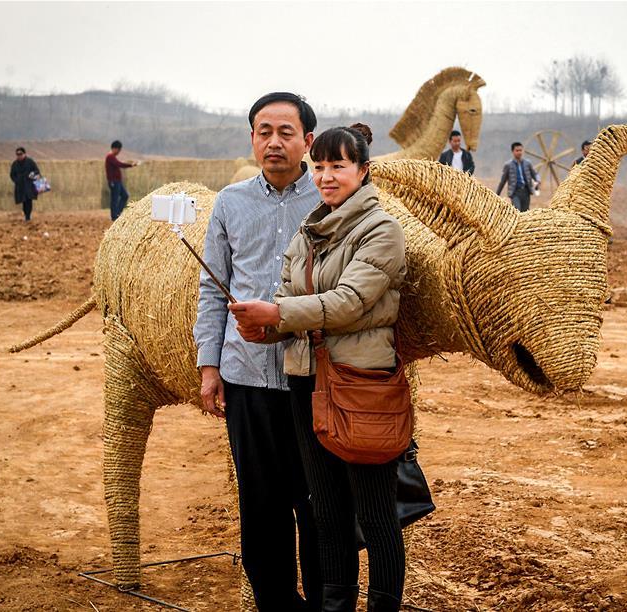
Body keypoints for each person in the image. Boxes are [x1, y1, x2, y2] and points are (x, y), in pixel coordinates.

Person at [229, 123, 407, 612]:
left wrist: (280, 315)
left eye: (339, 166)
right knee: (325, 511)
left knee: (374, 515)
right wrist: (264, 327)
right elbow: (287, 297)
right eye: (322, 166)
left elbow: (349, 302)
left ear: (363, 171)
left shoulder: (382, 231)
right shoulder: (309, 232)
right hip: (307, 383)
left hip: (360, 385)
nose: (327, 176)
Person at [194, 92, 322, 612]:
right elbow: (212, 288)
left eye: (285, 132)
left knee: (319, 506)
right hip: (245, 379)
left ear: (307, 141)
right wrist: (209, 367)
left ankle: (324, 603)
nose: (273, 141)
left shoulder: (332, 200)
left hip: (316, 380)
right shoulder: (229, 202)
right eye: (263, 131)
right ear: (252, 138)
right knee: (261, 507)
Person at [496, 141, 540, 212]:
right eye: (517, 150)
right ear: (513, 151)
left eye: (520, 150)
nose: (519, 152)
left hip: (526, 192)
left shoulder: (527, 163)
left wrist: (538, 180)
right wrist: (497, 194)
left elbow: (535, 174)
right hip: (515, 192)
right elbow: (502, 181)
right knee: (517, 210)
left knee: (525, 212)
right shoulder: (508, 165)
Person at [105, 140, 139, 221]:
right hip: (114, 182)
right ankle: (114, 216)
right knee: (115, 199)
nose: (119, 152)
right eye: (119, 150)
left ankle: (118, 213)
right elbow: (119, 164)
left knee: (125, 195)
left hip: (117, 181)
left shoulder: (112, 157)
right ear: (115, 149)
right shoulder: (110, 157)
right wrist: (130, 165)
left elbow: (118, 164)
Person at [9, 147, 40, 222]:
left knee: (29, 200)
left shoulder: (30, 161)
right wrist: (16, 181)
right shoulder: (15, 164)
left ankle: (28, 216)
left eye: (20, 154)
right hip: (20, 186)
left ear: (24, 154)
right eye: (17, 154)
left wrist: (32, 175)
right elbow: (12, 175)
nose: (19, 156)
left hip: (29, 185)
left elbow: (37, 171)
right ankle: (26, 215)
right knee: (23, 201)